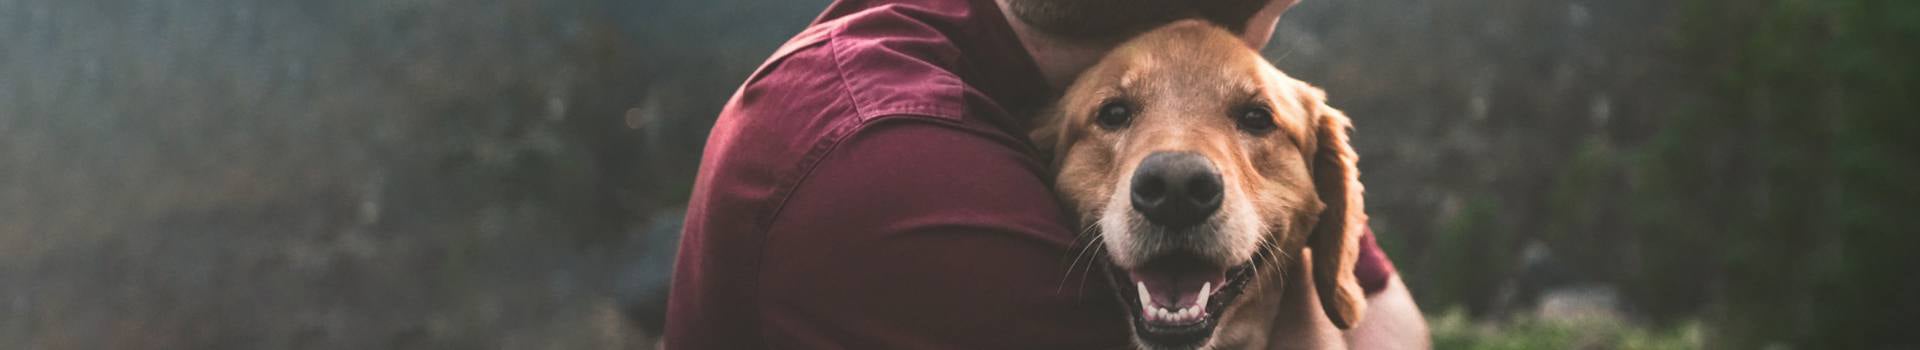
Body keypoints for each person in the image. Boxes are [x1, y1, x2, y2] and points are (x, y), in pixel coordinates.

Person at [666, 0, 1428, 348]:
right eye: (1115, 116)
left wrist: (1315, 280)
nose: (1176, 171)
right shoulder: (892, 163)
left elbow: (1384, 309)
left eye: (1255, 120)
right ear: (1043, 157)